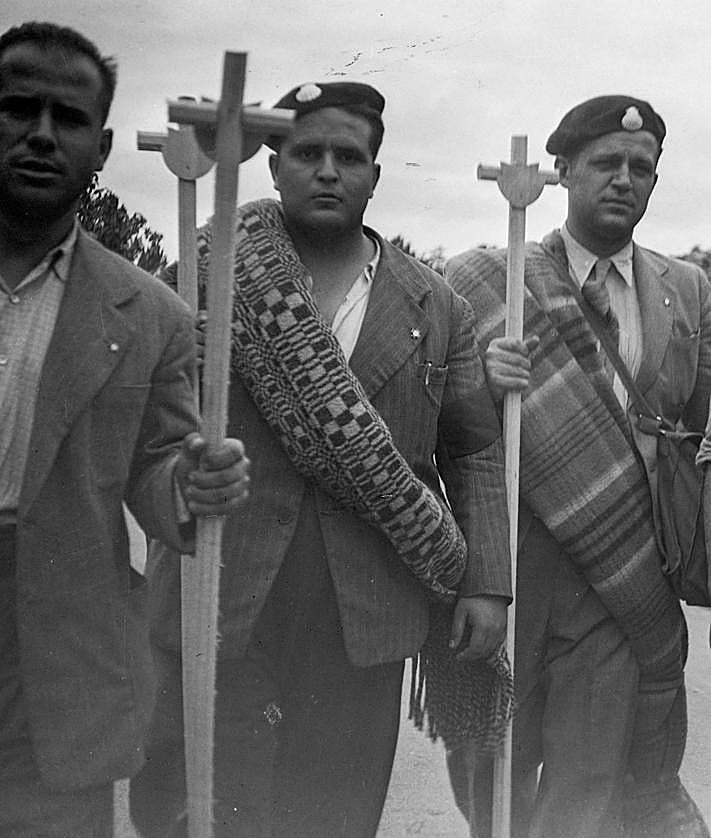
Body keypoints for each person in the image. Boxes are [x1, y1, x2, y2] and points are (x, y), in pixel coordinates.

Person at [129, 81, 512, 838]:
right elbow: (152, 436)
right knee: (201, 812)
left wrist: (487, 585)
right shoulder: (208, 271)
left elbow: (473, 454)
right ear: (273, 167)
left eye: (349, 156)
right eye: (308, 153)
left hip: (363, 611)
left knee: (332, 816)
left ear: (376, 173)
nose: (328, 170)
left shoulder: (436, 307)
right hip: (222, 586)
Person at [0, 21, 250, 837]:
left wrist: (193, 481)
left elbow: (157, 475)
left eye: (66, 119)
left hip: (55, 670)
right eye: (17, 109)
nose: (41, 134)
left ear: (101, 147)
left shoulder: (150, 316)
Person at [446, 95, 711, 838]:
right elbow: (449, 424)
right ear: (560, 171)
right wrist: (483, 380)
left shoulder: (687, 289)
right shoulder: (490, 282)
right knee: (491, 761)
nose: (624, 179)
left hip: (625, 565)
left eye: (641, 168)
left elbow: (698, 423)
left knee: (589, 772)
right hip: (518, 555)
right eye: (605, 163)